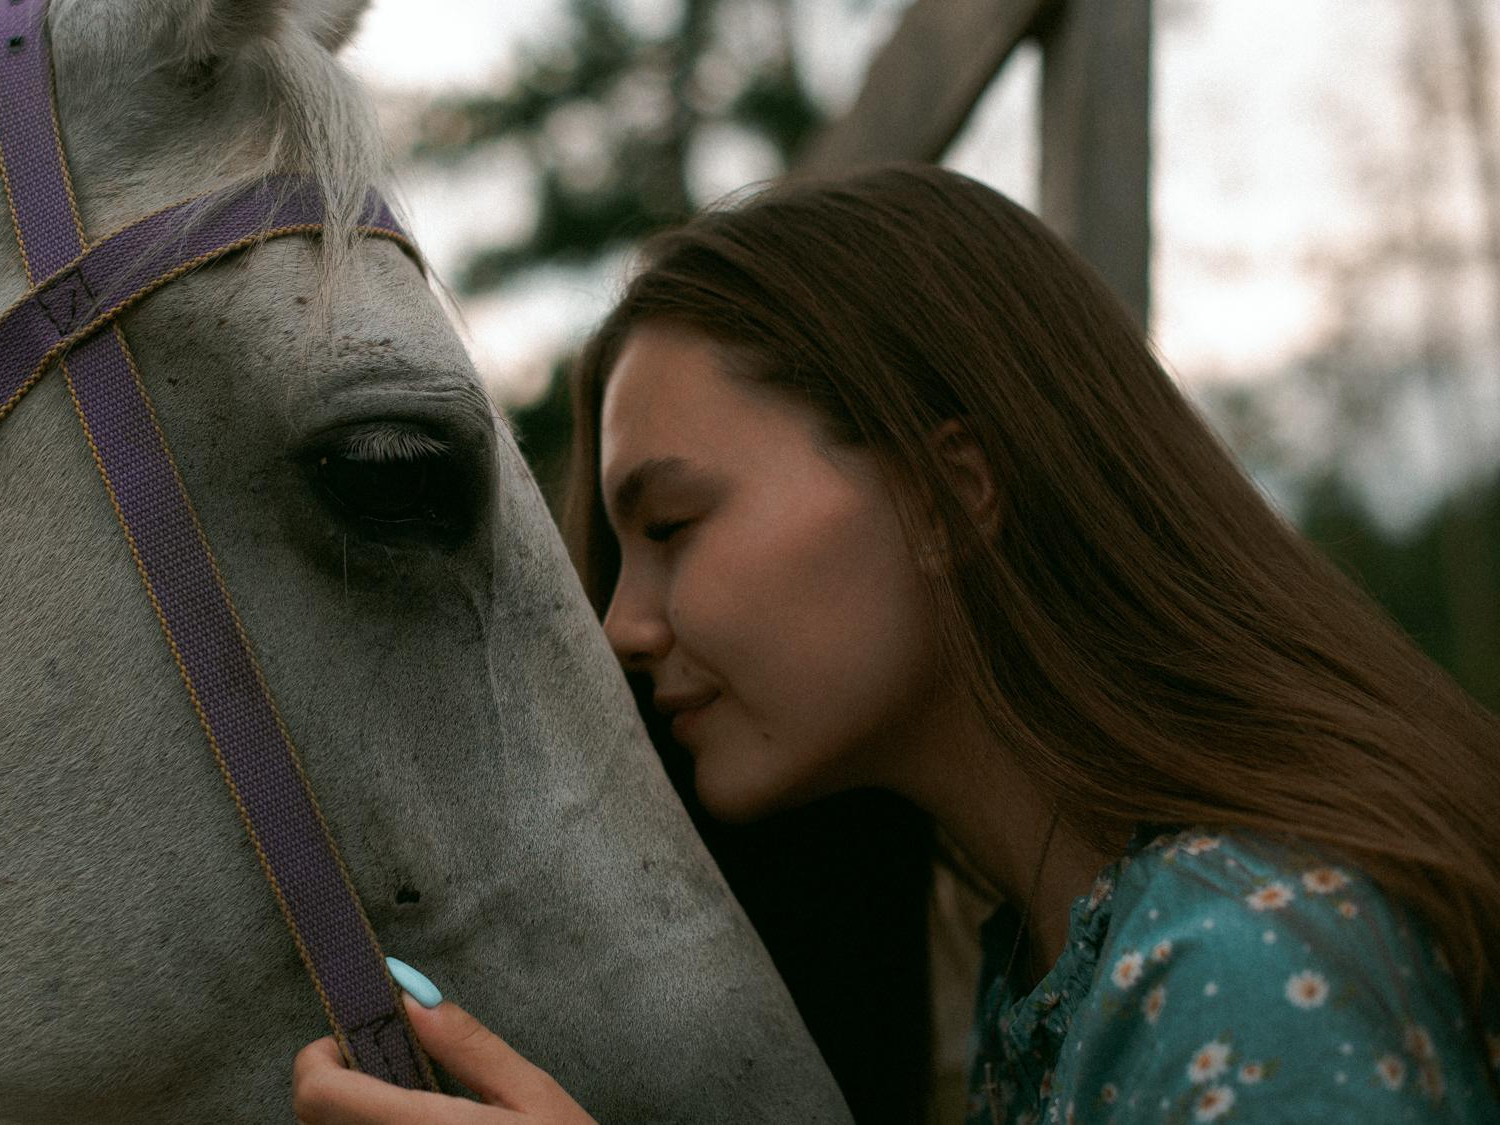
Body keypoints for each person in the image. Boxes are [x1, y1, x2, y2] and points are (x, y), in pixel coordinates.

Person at [291, 164, 1500, 1123]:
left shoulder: (1240, 967)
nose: (623, 627)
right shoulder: (1053, 959)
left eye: (671, 525)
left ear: (945, 491)